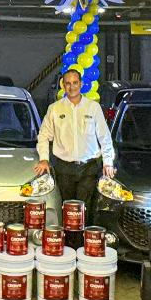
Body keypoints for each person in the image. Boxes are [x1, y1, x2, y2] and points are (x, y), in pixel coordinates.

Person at [34, 69, 115, 215]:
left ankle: (83, 231)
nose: (72, 87)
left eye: (75, 83)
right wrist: (44, 159)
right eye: (68, 83)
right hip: (64, 169)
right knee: (67, 210)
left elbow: (105, 137)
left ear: (81, 84)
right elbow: (44, 136)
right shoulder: (55, 109)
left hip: (89, 168)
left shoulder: (93, 107)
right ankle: (68, 231)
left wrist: (108, 162)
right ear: (63, 86)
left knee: (84, 210)